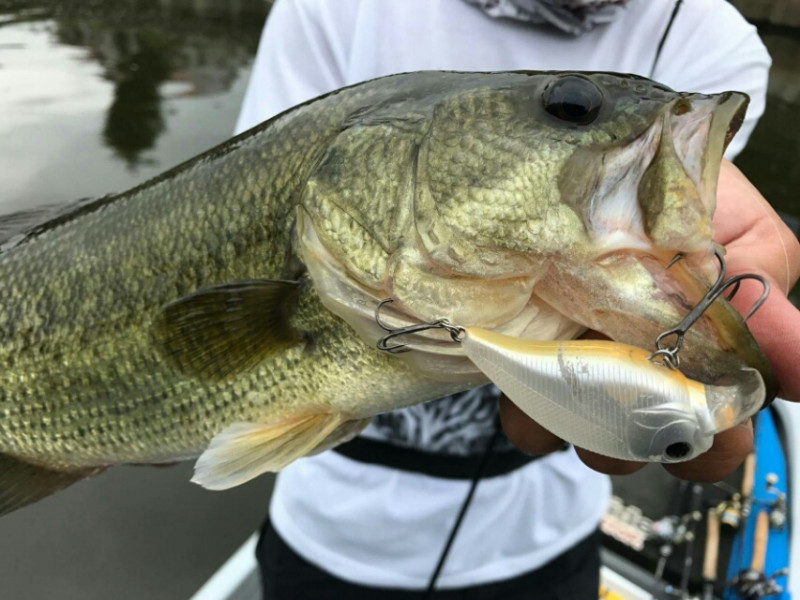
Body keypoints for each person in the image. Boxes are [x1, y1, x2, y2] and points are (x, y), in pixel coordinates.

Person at [233, 1, 800, 598]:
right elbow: (255, 203)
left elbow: (668, 220)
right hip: (327, 536)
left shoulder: (709, 36)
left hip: (548, 539)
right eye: (572, 109)